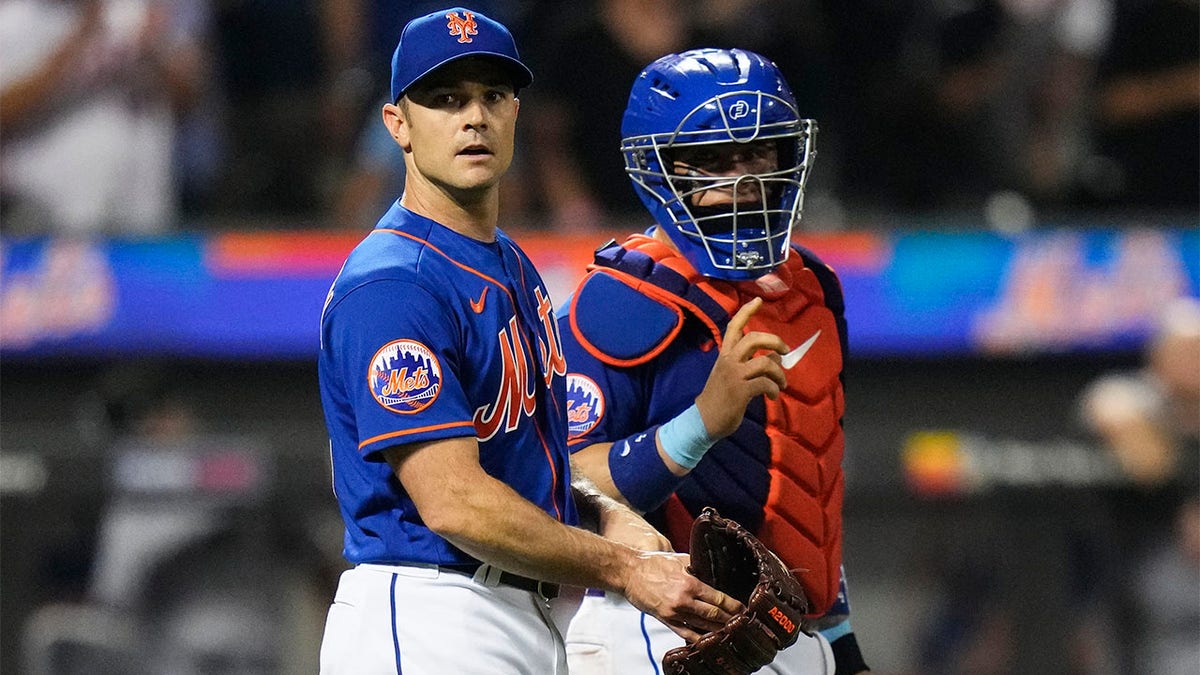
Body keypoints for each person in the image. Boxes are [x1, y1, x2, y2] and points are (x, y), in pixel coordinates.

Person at [314, 8, 742, 674]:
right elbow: (455, 500)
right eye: (447, 99)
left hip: (519, 613)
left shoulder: (510, 263)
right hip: (430, 612)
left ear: (516, 112)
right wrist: (624, 567)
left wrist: (600, 515)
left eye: (492, 95)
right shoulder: (393, 285)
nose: (474, 116)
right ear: (397, 124)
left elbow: (526, 460)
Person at [558, 48, 870, 674]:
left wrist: (843, 647)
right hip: (659, 627)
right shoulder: (623, 298)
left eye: (757, 152)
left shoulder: (815, 289)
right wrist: (703, 420)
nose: (744, 179)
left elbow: (809, 484)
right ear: (660, 169)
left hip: (793, 636)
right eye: (712, 160)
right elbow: (566, 482)